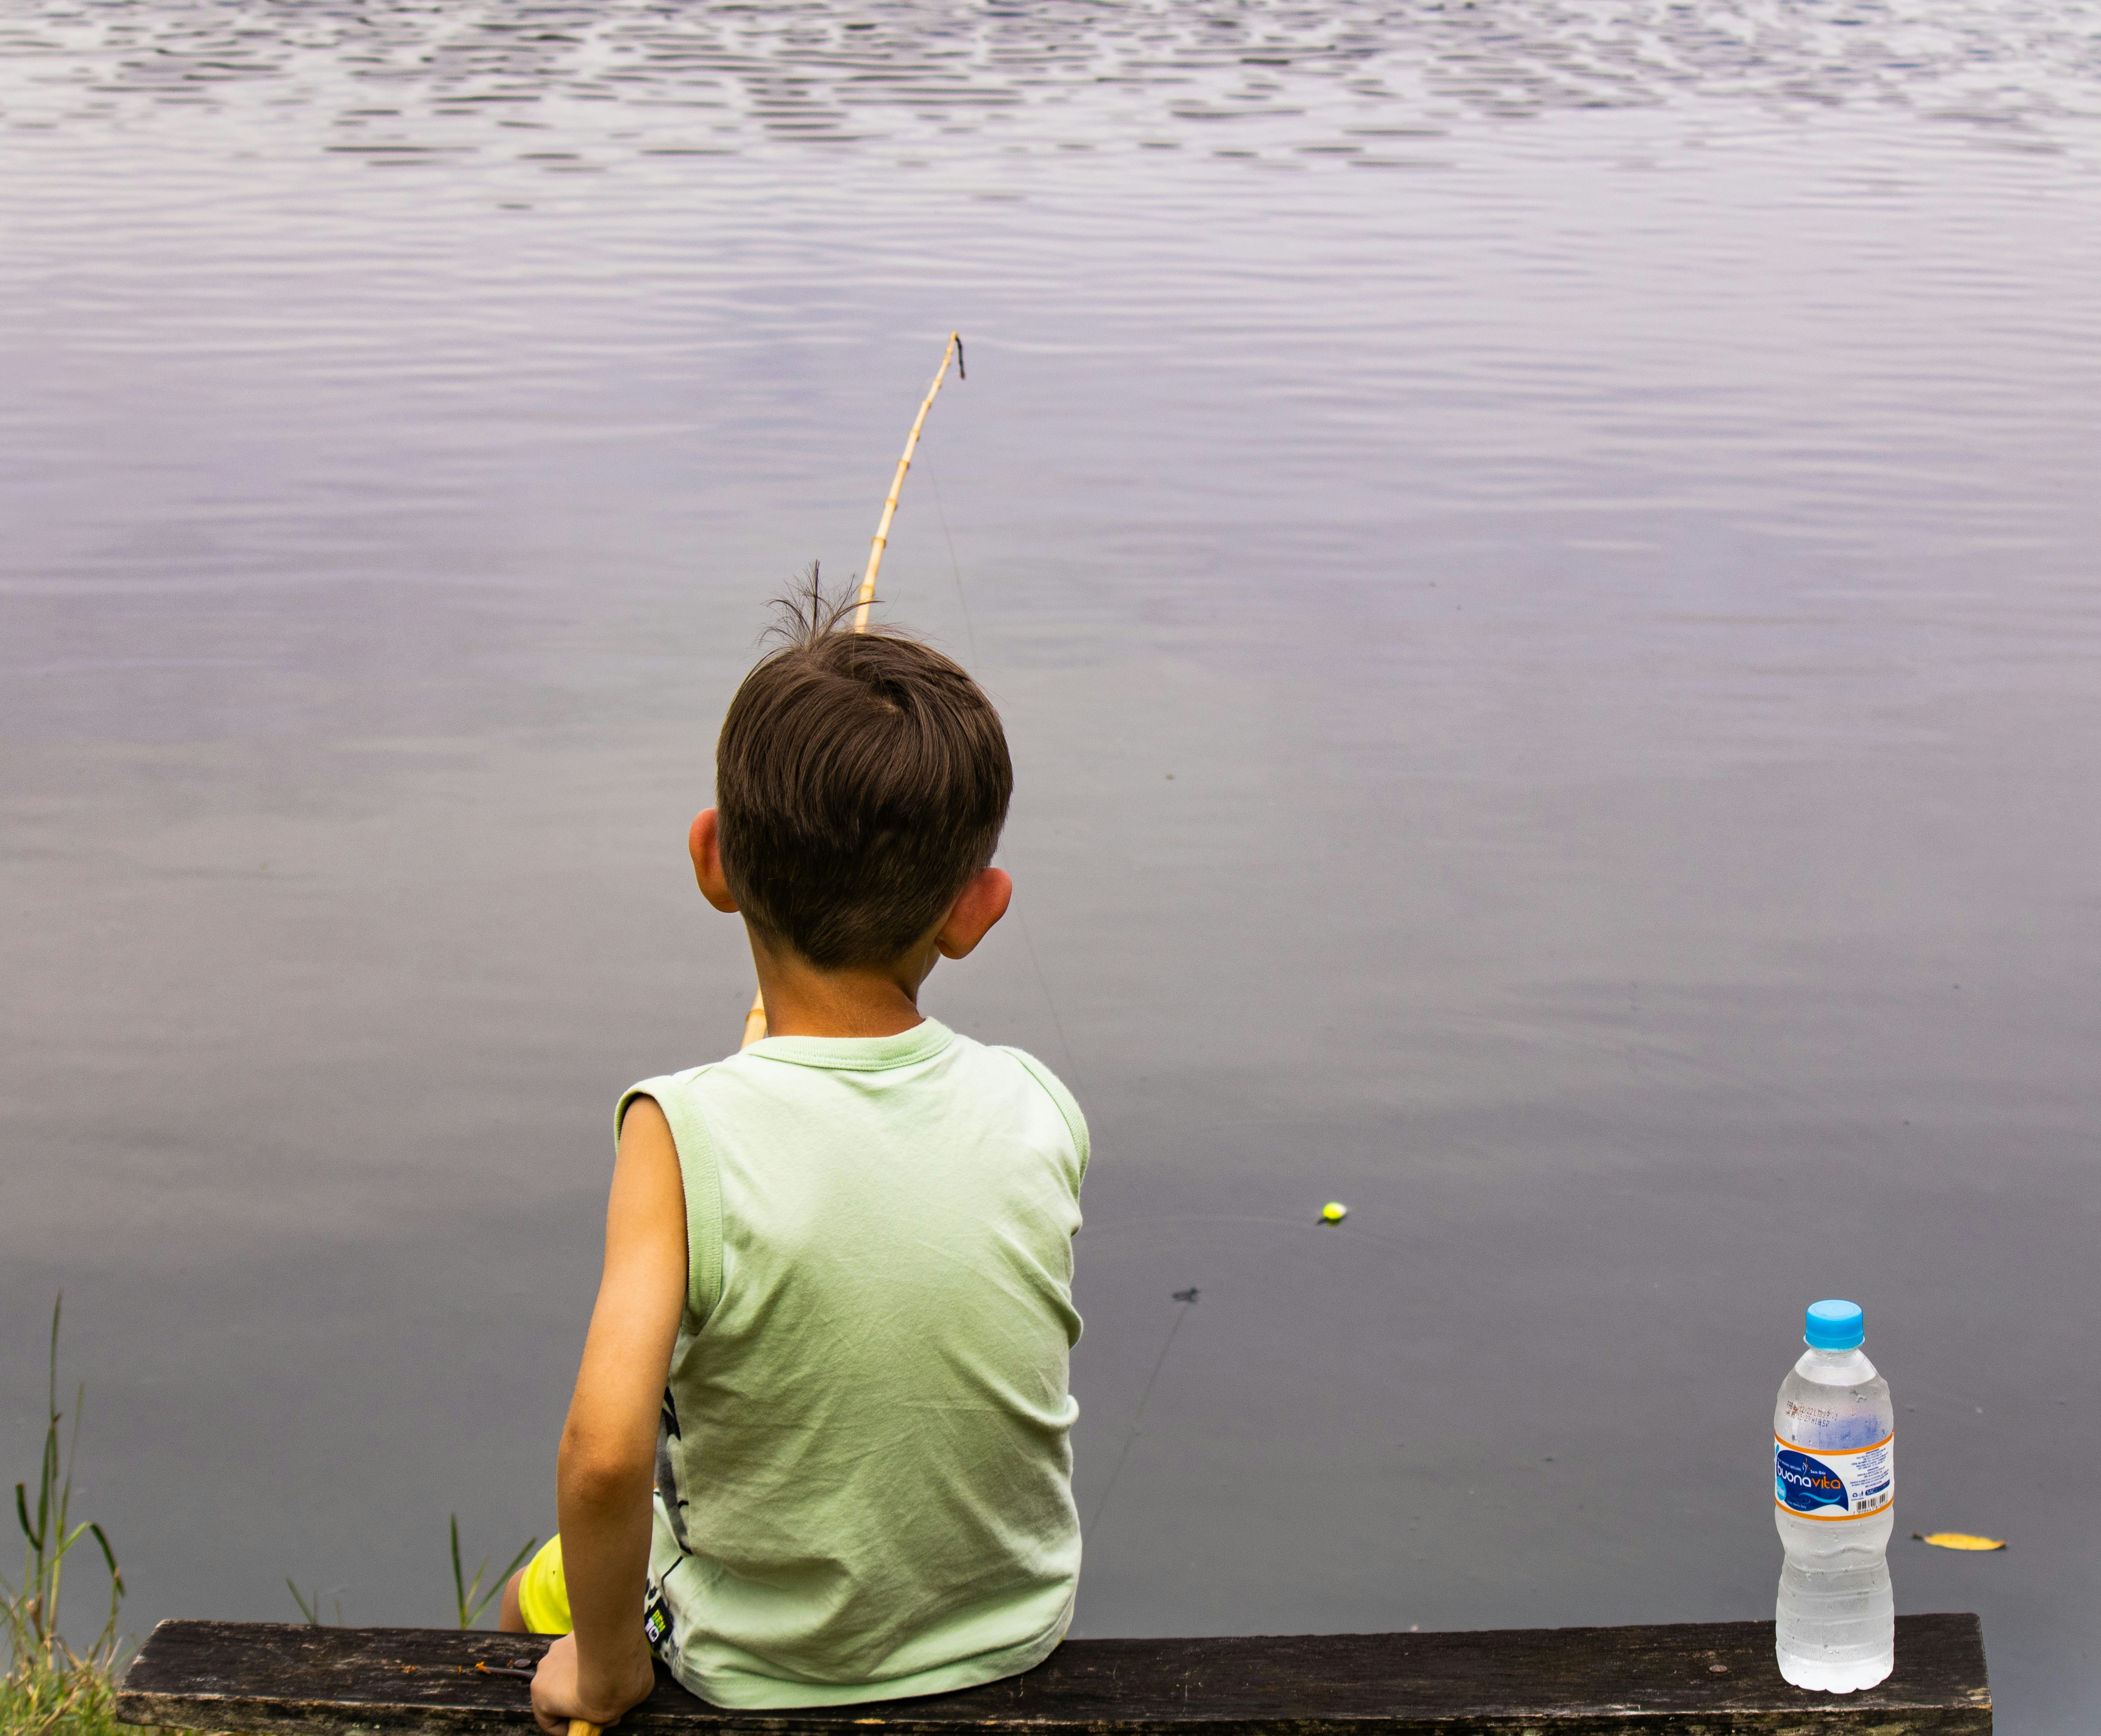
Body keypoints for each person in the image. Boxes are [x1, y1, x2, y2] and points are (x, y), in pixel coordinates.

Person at [503, 583, 1089, 1733]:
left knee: (542, 1596)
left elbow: (607, 1454)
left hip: (765, 1666)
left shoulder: (677, 1131)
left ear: (712, 860)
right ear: (976, 912)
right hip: (1011, 1634)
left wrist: (610, 1670)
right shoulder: (1037, 1105)